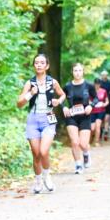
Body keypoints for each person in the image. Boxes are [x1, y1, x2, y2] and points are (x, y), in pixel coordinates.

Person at [16, 54, 65, 193]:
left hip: (49, 116)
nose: (39, 65)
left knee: (44, 151)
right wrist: (30, 94)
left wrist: (58, 102)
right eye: (36, 62)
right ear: (34, 66)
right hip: (33, 119)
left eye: (42, 63)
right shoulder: (29, 83)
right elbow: (19, 103)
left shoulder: (53, 82)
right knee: (36, 154)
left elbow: (62, 95)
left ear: (47, 66)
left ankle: (47, 176)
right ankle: (38, 182)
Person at [62, 64, 97, 174]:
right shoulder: (67, 86)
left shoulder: (88, 85)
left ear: (83, 72)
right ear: (72, 72)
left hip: (85, 117)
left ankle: (86, 153)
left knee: (83, 144)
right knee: (74, 142)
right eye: (75, 70)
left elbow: (96, 98)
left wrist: (91, 106)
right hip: (71, 116)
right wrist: (64, 107)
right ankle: (78, 164)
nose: (77, 72)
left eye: (79, 70)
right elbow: (61, 98)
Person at [90, 74, 109, 148]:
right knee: (92, 128)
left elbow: (107, 101)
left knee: (98, 126)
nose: (97, 85)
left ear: (100, 84)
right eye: (96, 84)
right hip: (92, 111)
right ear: (94, 84)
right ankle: (91, 139)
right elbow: (87, 100)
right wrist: (90, 104)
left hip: (101, 111)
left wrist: (105, 104)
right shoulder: (91, 91)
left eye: (98, 84)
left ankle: (96, 141)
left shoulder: (103, 91)